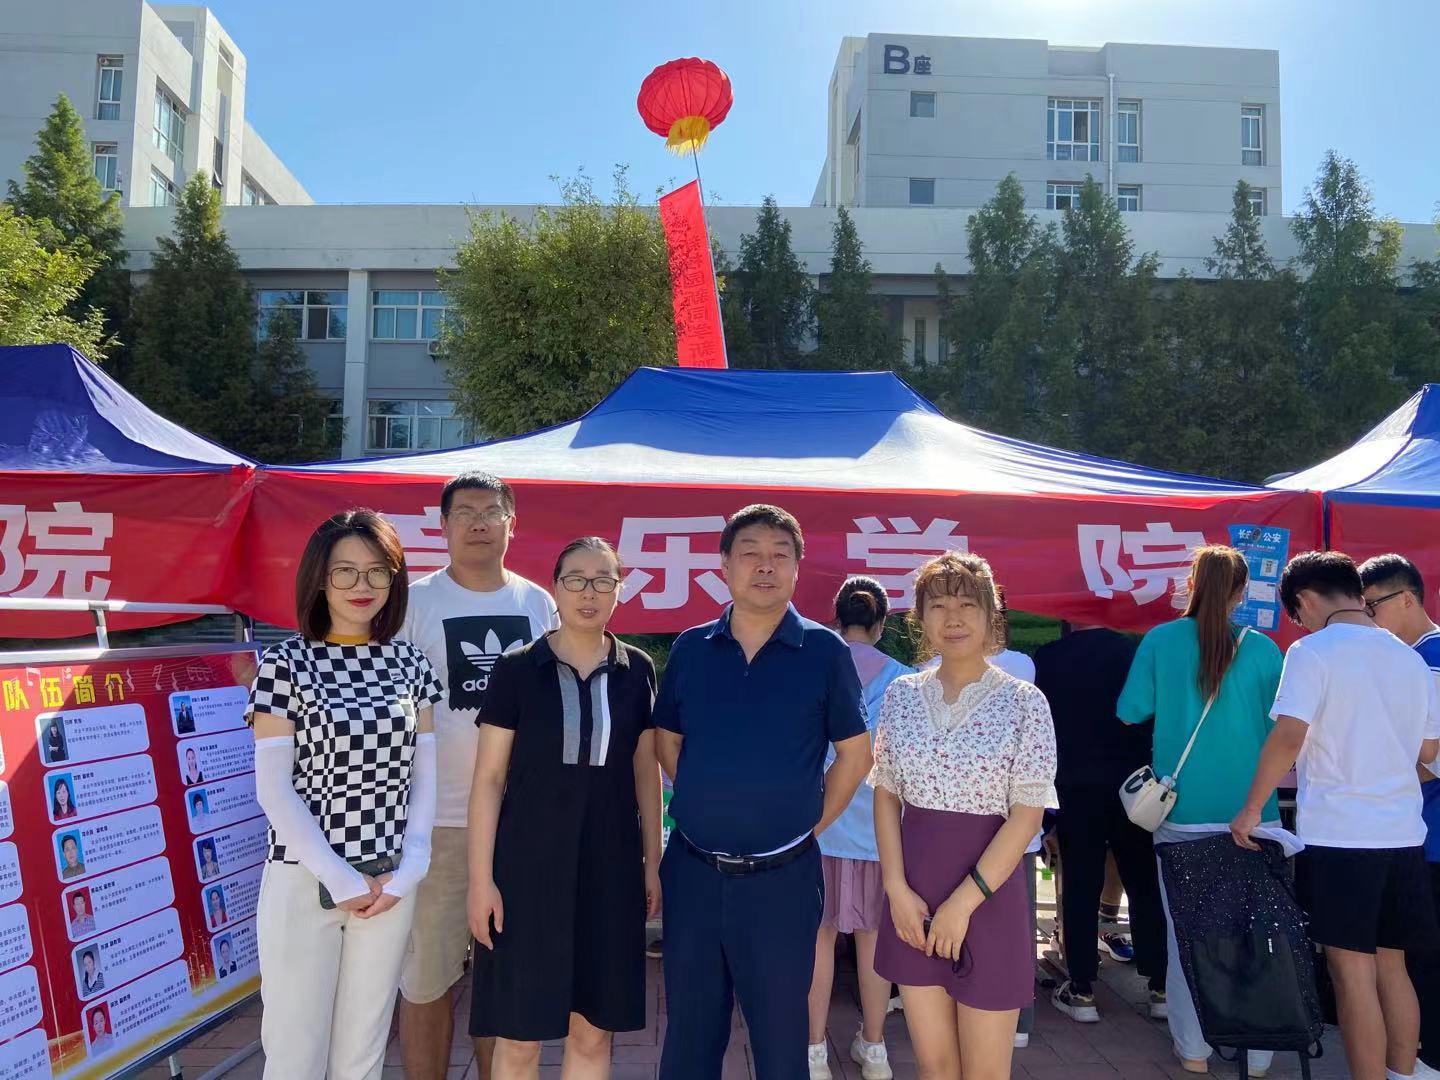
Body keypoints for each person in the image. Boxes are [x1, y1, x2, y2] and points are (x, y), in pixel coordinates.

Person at [654, 504, 872, 1079]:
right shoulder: (691, 648)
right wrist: (707, 798)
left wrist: (805, 825)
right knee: (689, 1038)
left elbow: (855, 755)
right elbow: (667, 740)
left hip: (783, 881)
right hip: (694, 873)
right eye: (750, 553)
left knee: (780, 1041)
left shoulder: (825, 652)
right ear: (725, 565)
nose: (765, 566)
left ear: (798, 567)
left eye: (780, 554)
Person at [248, 508, 444, 1080]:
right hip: (304, 877)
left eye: (378, 571)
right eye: (345, 571)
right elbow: (273, 789)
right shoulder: (284, 664)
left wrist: (410, 869)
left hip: (389, 881)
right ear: (318, 578)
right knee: (295, 1051)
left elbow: (424, 776)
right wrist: (339, 878)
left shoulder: (410, 663)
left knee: (363, 1052)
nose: (363, 585)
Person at [1233, 551, 1440, 1080]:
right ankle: (1403, 1074)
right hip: (1404, 834)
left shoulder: (1310, 651)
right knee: (1394, 966)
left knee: (1351, 973)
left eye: (1296, 615)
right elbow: (1428, 749)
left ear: (1304, 601)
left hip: (1342, 836)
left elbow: (1289, 735)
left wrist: (1251, 809)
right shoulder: (1408, 657)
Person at [467, 537, 662, 1078]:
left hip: (610, 872)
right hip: (525, 876)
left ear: (620, 590)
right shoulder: (516, 668)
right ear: (555, 588)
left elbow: (645, 774)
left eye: (603, 581)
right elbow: (489, 779)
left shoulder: (637, 669)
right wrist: (481, 881)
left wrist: (652, 862)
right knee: (519, 1038)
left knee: (593, 1033)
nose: (588, 592)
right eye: (575, 579)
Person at [870, 551, 1056, 1080]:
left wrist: (962, 904)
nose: (953, 618)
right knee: (934, 1067)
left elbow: (1026, 817)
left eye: (968, 605)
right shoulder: (902, 695)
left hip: (989, 898)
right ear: (920, 618)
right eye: (938, 606)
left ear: (992, 613)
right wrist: (895, 888)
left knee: (985, 1072)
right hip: (914, 898)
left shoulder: (1025, 703)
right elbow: (886, 793)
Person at [399, 472, 558, 1080]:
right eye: (464, 512)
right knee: (426, 979)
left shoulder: (536, 604)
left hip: (520, 825)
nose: (478, 523)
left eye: (491, 512)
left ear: (512, 524)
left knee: (506, 983)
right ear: (442, 525)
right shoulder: (413, 604)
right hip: (436, 821)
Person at [1118, 545, 1283, 1075]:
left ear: (1191, 584)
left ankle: (1193, 1050)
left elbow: (1130, 710)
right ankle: (1258, 1055)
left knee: (1186, 933)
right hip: (1255, 815)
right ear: (1242, 592)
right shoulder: (1264, 649)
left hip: (1181, 815)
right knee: (1256, 934)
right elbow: (1283, 728)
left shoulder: (1161, 640)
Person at [1034, 621, 1168, 1024]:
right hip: (1134, 784)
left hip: (1073, 785)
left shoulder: (1048, 659)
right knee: (1144, 883)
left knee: (1080, 883)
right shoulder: (1136, 650)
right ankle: (1160, 986)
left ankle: (1082, 990)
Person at [807, 577, 913, 1080]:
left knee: (817, 940)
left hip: (816, 828)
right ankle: (874, 1048)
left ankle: (813, 1052)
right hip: (879, 836)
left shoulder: (814, 665)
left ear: (836, 617)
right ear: (882, 622)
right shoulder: (905, 682)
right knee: (873, 942)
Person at [1361, 554, 1440, 1071]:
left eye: (1372, 606)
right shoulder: (1416, 657)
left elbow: (1431, 761)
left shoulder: (1428, 660)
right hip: (1421, 836)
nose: (1368, 619)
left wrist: (1371, 774)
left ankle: (1426, 1060)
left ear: (1407, 598)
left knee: (1422, 961)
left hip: (1429, 838)